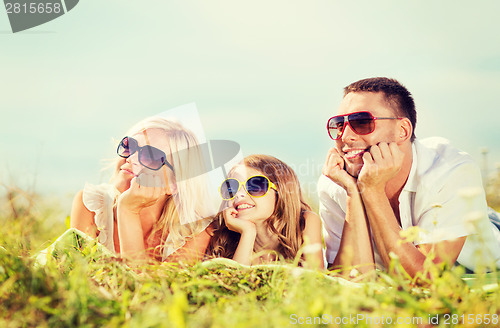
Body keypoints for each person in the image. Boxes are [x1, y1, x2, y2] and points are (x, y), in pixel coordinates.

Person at [318, 77, 500, 277]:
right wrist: (354, 192)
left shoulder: (451, 170)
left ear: (402, 131)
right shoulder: (335, 184)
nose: (345, 136)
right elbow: (348, 279)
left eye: (361, 122)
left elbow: (425, 280)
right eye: (339, 125)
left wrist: (372, 191)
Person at [70, 116, 214, 262]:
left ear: (174, 183)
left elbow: (149, 284)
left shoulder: (196, 230)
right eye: (129, 146)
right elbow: (82, 277)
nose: (131, 158)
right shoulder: (90, 206)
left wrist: (128, 210)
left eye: (149, 156)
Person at [207, 155, 324, 269]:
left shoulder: (305, 222)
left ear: (281, 192)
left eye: (255, 186)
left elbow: (316, 282)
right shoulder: (220, 235)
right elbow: (235, 285)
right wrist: (248, 232)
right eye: (231, 188)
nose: (238, 194)